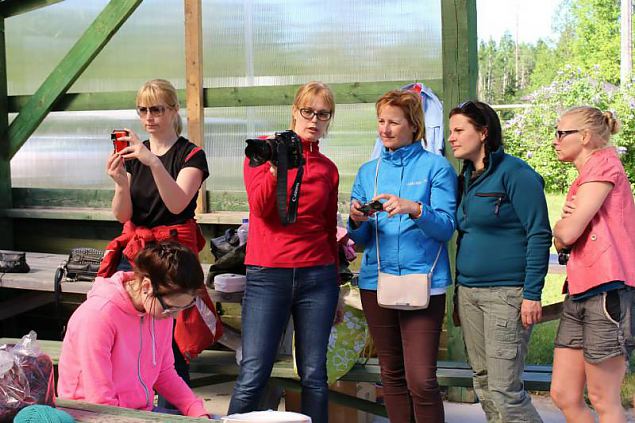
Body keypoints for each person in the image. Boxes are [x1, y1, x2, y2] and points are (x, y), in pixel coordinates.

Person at [98, 79, 219, 405]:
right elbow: (122, 214)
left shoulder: (191, 154)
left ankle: (174, 410)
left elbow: (177, 202)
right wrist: (121, 183)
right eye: (143, 110)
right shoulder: (134, 155)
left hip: (173, 254)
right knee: (126, 335)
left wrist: (152, 162)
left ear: (173, 110)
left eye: (157, 109)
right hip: (136, 250)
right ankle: (130, 405)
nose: (149, 117)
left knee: (172, 344)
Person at [228, 81, 340, 423]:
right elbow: (261, 210)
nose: (314, 120)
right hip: (268, 273)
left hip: (318, 276)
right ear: (294, 112)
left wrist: (334, 289)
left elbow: (326, 228)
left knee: (314, 376)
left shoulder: (328, 169)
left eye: (323, 114)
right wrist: (279, 167)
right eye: (308, 111)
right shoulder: (262, 152)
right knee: (254, 371)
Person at [348, 89, 457, 422]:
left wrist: (415, 209)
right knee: (391, 375)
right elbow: (362, 240)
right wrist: (356, 221)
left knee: (421, 380)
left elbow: (446, 227)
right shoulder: (369, 171)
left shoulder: (437, 167)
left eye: (394, 122)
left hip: (424, 282)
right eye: (381, 121)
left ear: (414, 126)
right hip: (375, 282)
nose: (385, 129)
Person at [449, 100, 551, 423]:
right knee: (483, 383)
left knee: (505, 390)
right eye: (450, 131)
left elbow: (538, 234)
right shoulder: (465, 177)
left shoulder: (516, 174)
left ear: (483, 132)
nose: (451, 138)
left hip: (506, 296)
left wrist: (532, 294)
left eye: (459, 130)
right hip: (469, 294)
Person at [58, 242, 213, 418]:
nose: (175, 316)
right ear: (147, 286)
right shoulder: (97, 315)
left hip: (136, 413)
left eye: (182, 308)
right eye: (171, 308)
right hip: (87, 415)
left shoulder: (159, 311)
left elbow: (164, 372)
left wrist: (195, 409)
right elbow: (99, 402)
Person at [549, 107, 635, 423]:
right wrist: (563, 230)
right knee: (564, 394)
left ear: (584, 137)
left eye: (561, 133)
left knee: (603, 398)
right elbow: (561, 242)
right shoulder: (585, 177)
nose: (555, 141)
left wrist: (562, 226)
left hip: (606, 291)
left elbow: (566, 233)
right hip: (580, 289)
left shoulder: (603, 167)